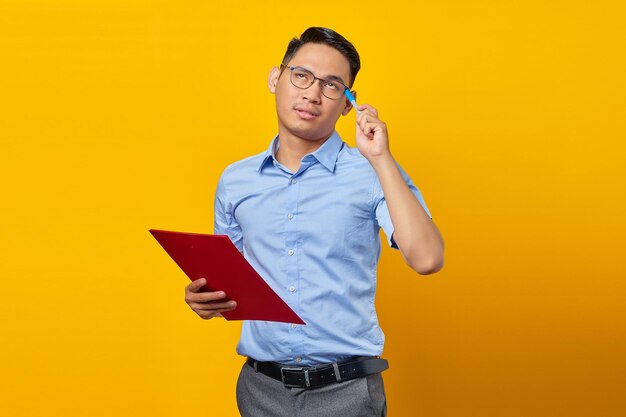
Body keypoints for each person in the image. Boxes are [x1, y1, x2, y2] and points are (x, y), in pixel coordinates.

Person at [184, 27, 444, 417]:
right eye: (301, 76)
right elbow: (232, 283)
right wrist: (205, 299)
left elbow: (427, 258)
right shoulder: (235, 180)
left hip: (347, 392)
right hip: (260, 390)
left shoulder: (371, 171)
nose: (312, 93)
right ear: (277, 78)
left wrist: (381, 159)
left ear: (346, 104)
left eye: (332, 85)